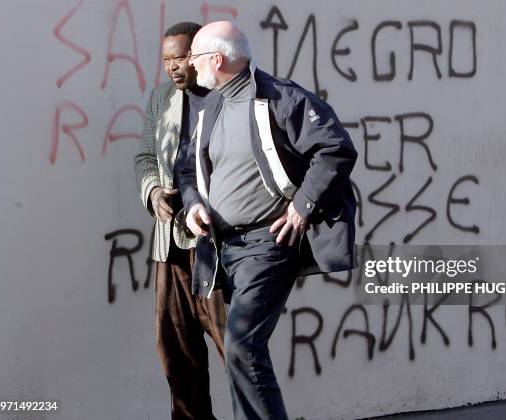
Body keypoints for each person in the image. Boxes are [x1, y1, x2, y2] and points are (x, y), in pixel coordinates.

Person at [178, 21, 357, 420]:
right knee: (240, 349)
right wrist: (191, 205)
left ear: (217, 59)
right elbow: (185, 170)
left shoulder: (280, 98)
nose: (190, 64)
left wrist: (302, 206)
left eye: (195, 56)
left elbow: (335, 148)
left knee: (242, 345)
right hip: (224, 248)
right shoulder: (207, 106)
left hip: (268, 244)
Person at [134, 21, 226, 420]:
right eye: (167, 59)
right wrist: (153, 192)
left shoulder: (226, 99)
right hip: (169, 247)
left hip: (215, 247)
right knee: (175, 350)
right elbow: (144, 159)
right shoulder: (160, 100)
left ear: (200, 55)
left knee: (236, 349)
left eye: (181, 57)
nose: (173, 67)